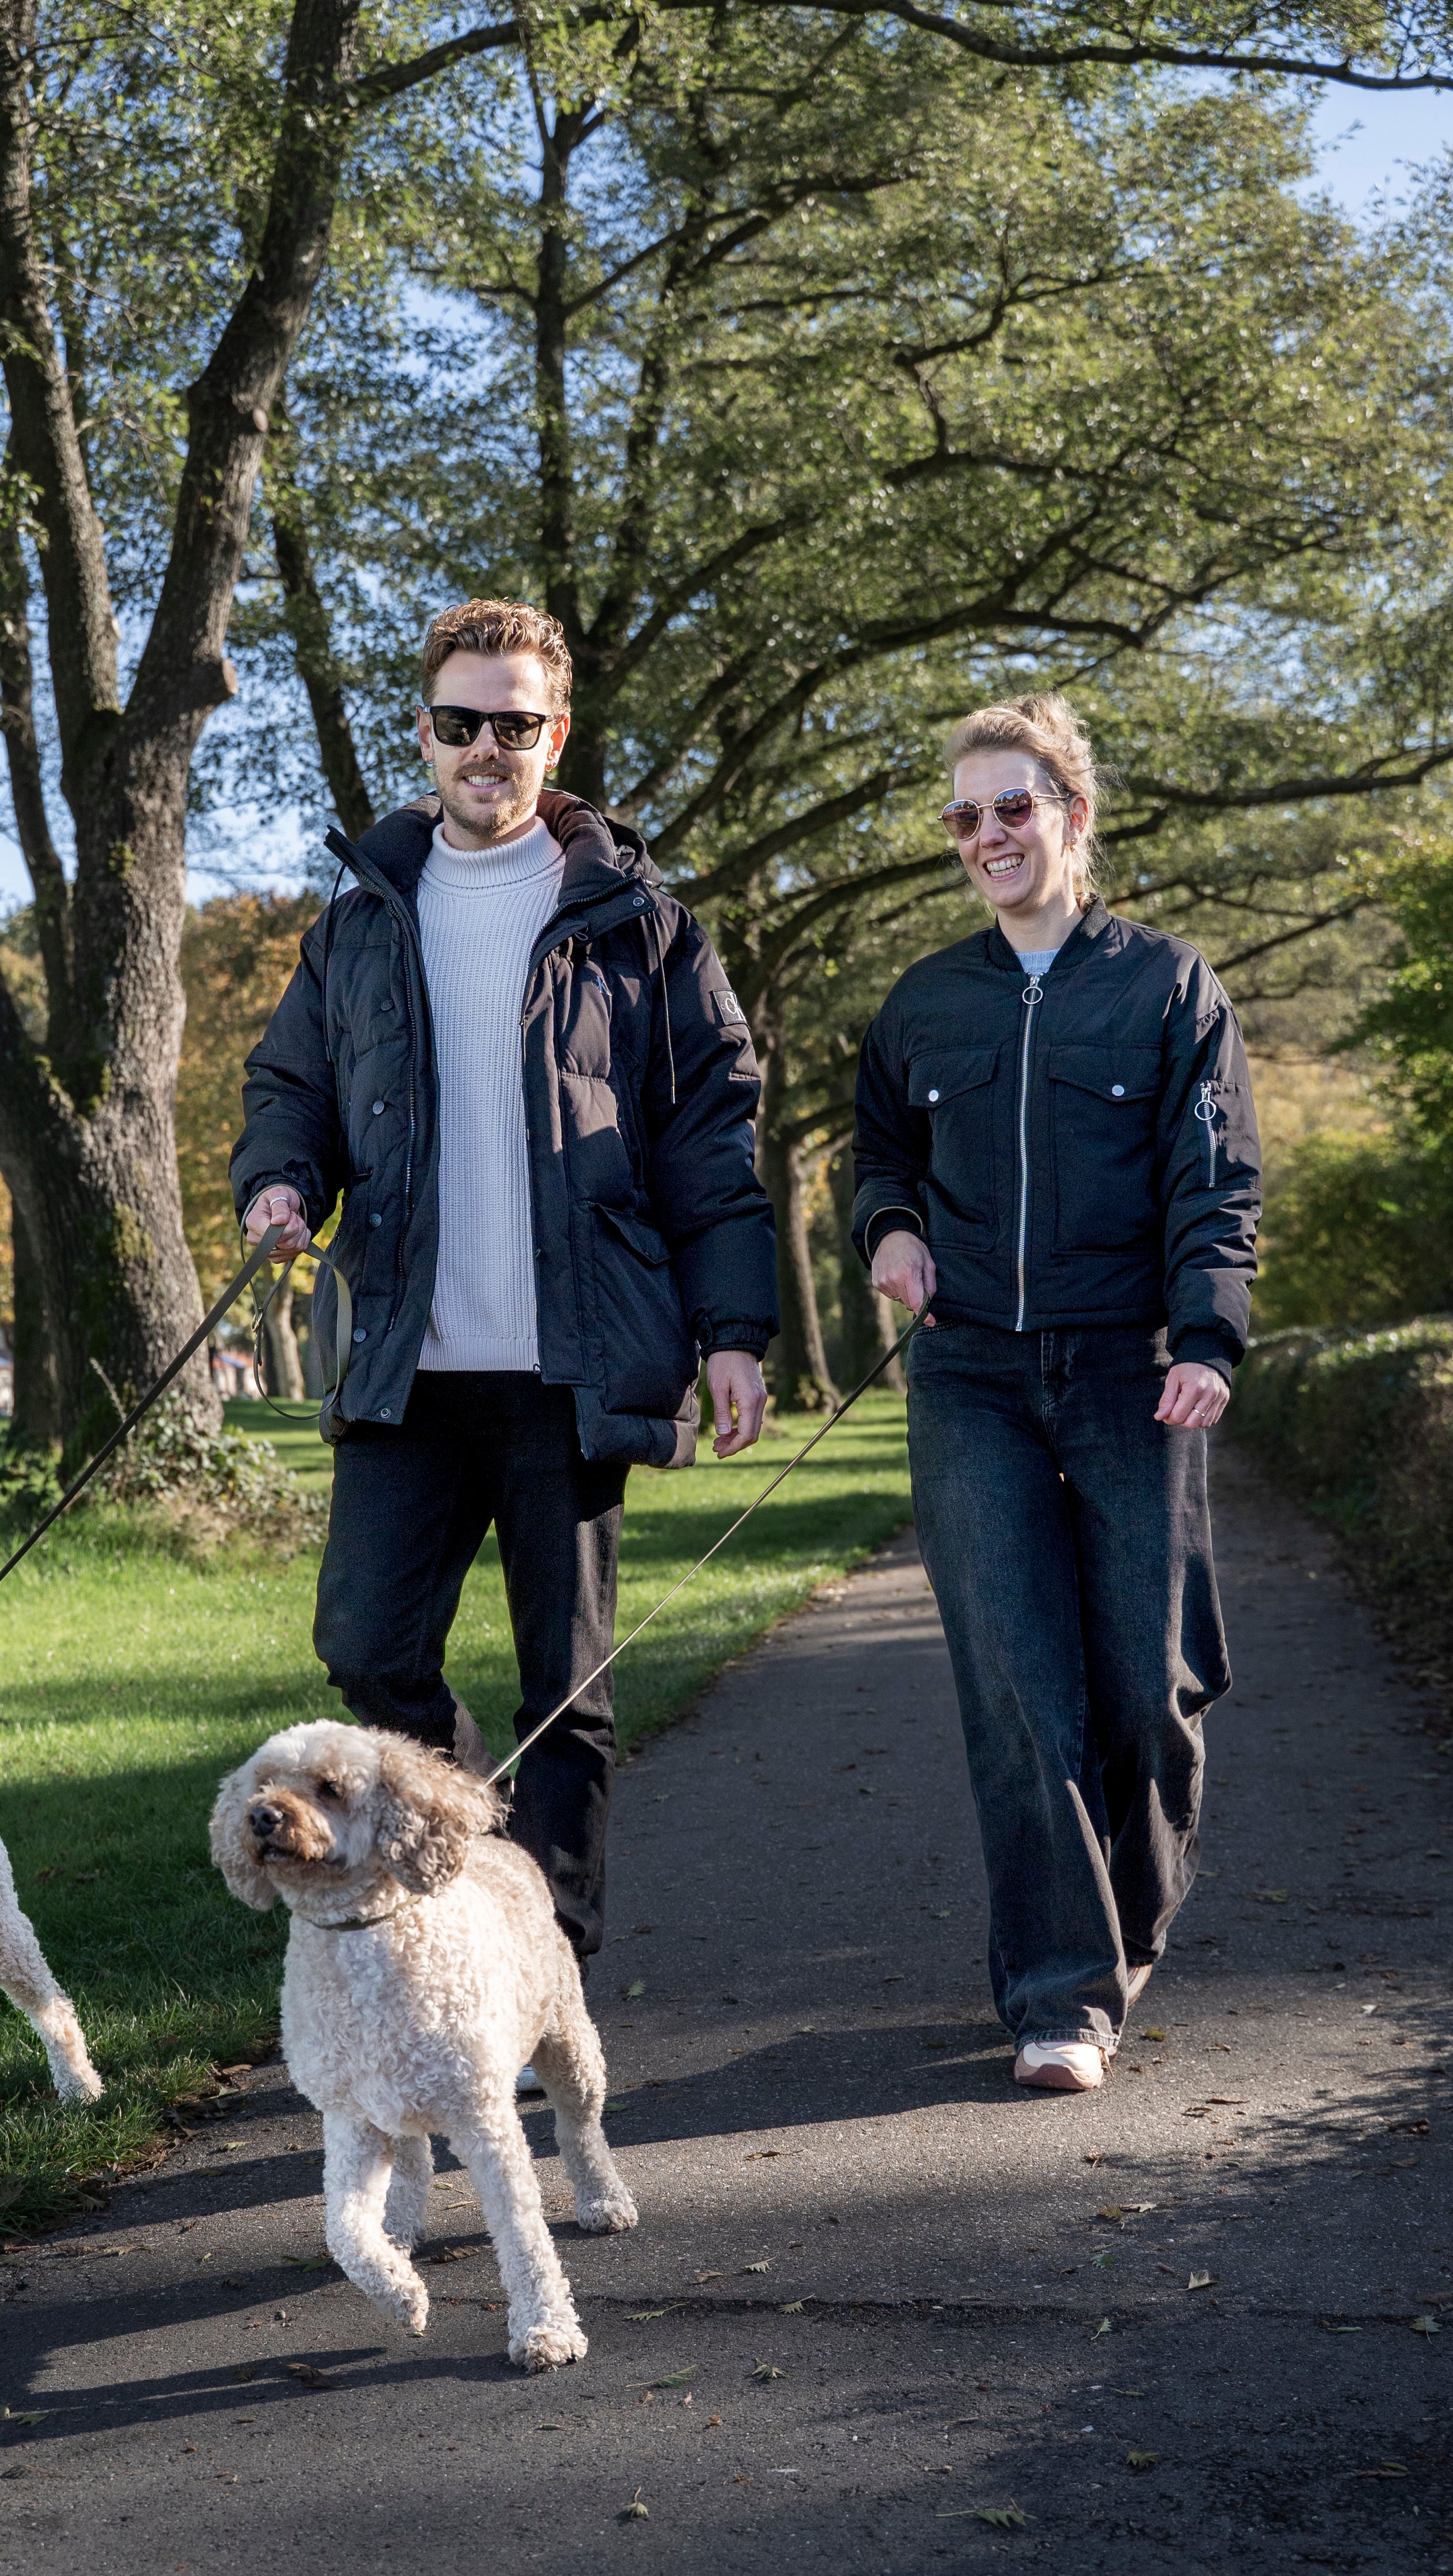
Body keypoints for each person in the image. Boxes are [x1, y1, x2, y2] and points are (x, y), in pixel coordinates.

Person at [233, 596, 777, 1976]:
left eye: (515, 724)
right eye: (461, 722)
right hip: (409, 1360)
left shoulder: (639, 925)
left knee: (570, 1691)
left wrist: (731, 1330)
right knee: (363, 1644)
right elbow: (288, 1084)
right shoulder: (361, 919)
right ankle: (483, 1864)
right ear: (422, 733)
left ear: (558, 733)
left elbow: (711, 1136)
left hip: (568, 1367)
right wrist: (279, 1179)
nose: (487, 746)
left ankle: (554, 1964)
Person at [853, 693, 1260, 2093]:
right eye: (962, 816)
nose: (985, 836)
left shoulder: (1166, 989)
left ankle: (1116, 1929)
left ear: (1073, 816)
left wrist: (1207, 1337)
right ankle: (1059, 1995)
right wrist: (887, 1230)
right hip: (966, 1375)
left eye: (1011, 808)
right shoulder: (924, 1003)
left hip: (1129, 1370)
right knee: (1020, 1693)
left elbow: (1215, 1187)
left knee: (1148, 1690)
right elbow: (874, 1154)